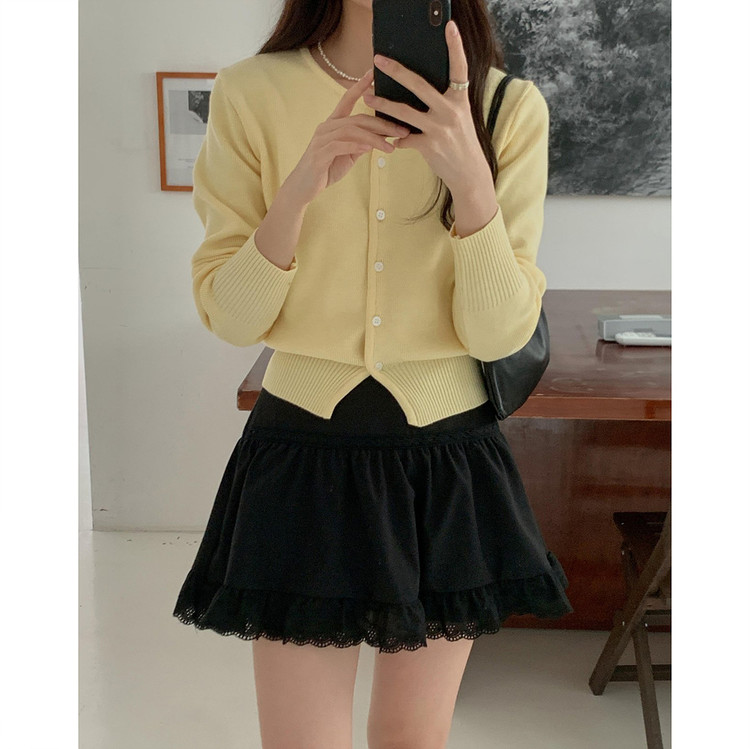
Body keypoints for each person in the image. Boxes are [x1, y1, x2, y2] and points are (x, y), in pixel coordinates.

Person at [173, 1, 573, 747]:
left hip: (447, 466)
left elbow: (498, 331)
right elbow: (230, 317)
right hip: (301, 459)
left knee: (413, 739)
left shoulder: (507, 107)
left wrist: (472, 185)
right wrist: (297, 192)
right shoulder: (250, 92)